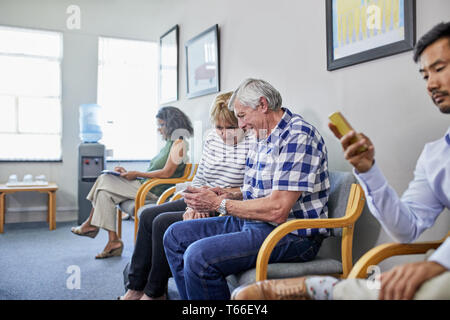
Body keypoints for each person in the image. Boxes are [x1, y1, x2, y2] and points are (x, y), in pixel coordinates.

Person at [231, 22, 450, 301]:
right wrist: (368, 171)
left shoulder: (297, 134)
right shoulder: (436, 155)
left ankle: (321, 289)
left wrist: (438, 263)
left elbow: (278, 207)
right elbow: (405, 229)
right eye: (425, 75)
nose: (431, 83)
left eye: (440, 69)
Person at [163, 78, 330, 300]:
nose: (240, 125)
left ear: (262, 105)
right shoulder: (260, 135)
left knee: (198, 256)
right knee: (174, 235)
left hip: (292, 235)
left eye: (242, 116)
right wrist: (227, 193)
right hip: (256, 222)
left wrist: (217, 204)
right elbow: (257, 191)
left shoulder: (297, 137)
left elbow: (277, 209)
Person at [120, 92, 254, 300]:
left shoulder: (253, 142)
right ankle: (135, 288)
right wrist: (193, 205)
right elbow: (200, 177)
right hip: (200, 198)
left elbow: (248, 188)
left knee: (162, 222)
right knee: (147, 216)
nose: (224, 134)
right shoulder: (211, 139)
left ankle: (154, 292)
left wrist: (212, 203)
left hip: (223, 203)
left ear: (242, 123)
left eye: (231, 128)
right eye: (219, 128)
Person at [71, 106, 193, 259]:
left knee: (104, 179)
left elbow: (167, 173)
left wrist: (137, 174)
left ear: (172, 123)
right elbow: (156, 171)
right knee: (104, 192)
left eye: (161, 125)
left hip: (154, 192)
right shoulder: (170, 144)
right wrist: (131, 174)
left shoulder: (179, 144)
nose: (159, 129)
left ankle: (90, 224)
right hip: (146, 186)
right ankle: (113, 241)